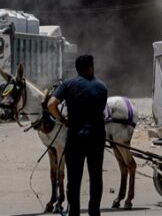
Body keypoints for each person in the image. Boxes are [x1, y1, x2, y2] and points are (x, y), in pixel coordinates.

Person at [48, 55, 108, 216]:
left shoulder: (68, 85)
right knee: (96, 177)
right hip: (96, 138)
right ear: (91, 67)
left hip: (75, 138)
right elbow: (102, 110)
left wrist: (62, 119)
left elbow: (51, 104)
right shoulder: (102, 87)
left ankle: (74, 212)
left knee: (74, 180)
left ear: (77, 68)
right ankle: (94, 212)